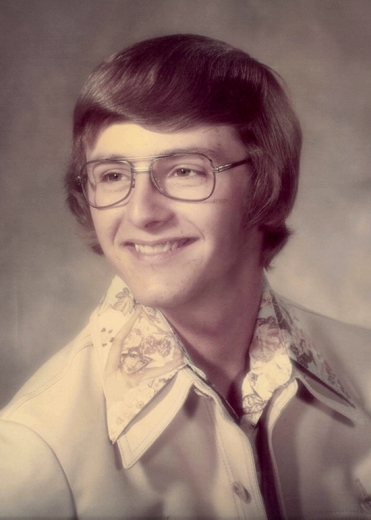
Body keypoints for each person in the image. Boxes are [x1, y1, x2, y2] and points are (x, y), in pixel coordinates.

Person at [1, 33, 371, 520]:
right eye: (112, 175)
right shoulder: (33, 452)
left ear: (267, 182)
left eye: (184, 171)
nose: (141, 213)